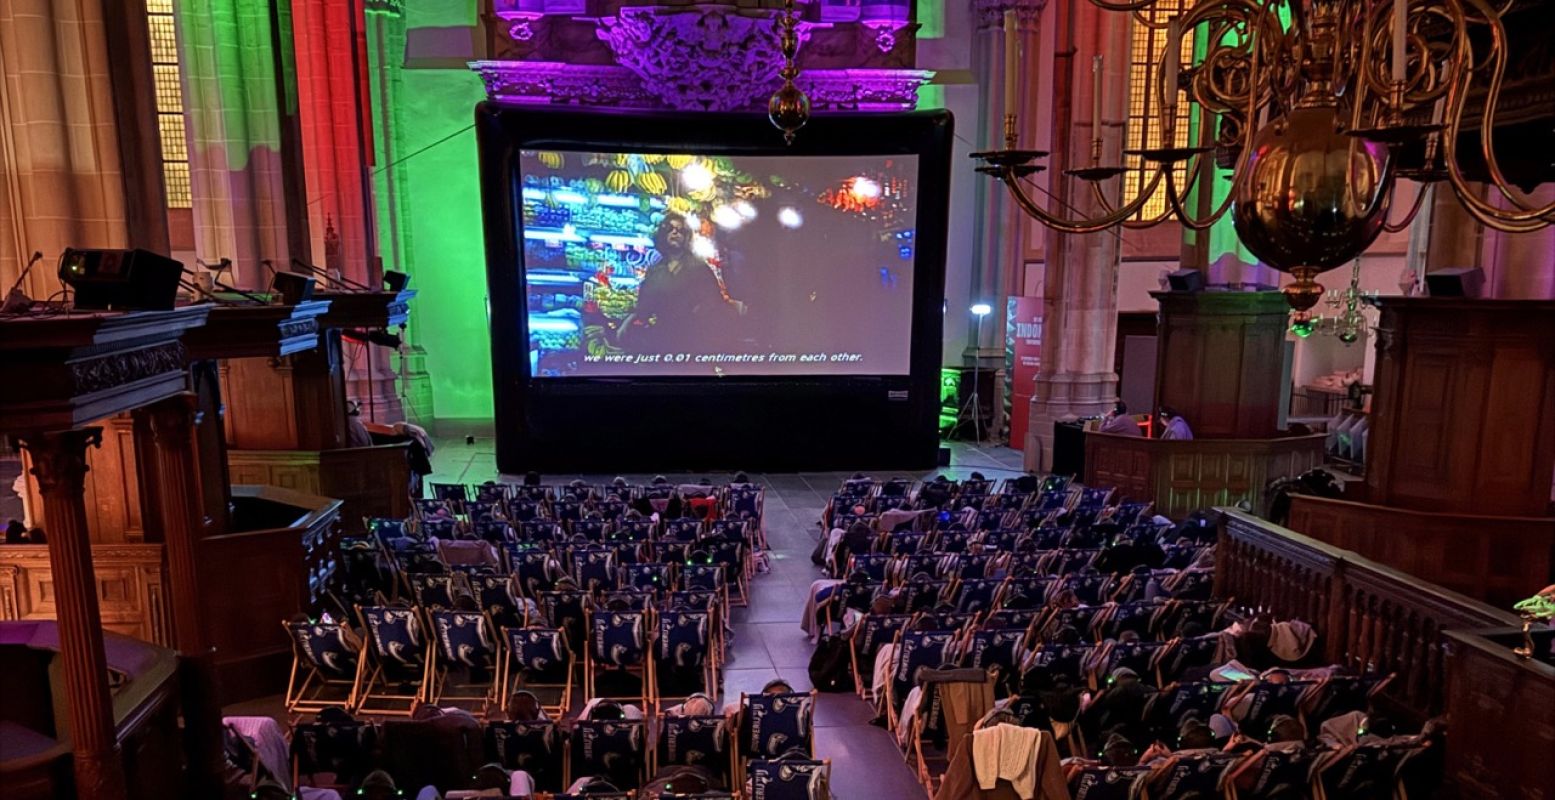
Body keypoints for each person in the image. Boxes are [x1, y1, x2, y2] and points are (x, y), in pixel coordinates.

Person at [620, 212, 745, 351]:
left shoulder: (699, 268)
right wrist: (628, 322)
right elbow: (645, 304)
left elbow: (713, 304)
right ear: (663, 235)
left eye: (680, 231)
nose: (675, 233)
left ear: (686, 237)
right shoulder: (656, 270)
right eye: (670, 229)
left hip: (692, 341)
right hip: (662, 340)